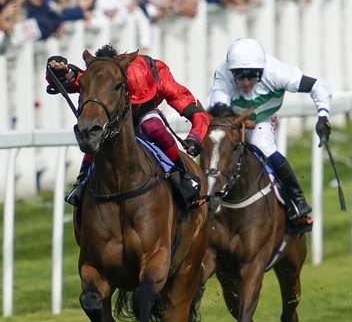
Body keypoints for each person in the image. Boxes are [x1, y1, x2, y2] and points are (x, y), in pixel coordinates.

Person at [46, 43, 209, 208]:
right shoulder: (103, 73)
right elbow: (76, 79)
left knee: (153, 128)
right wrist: (59, 71)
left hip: (144, 115)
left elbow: (194, 111)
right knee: (95, 135)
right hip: (115, 120)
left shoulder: (156, 72)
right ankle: (81, 182)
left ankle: (185, 176)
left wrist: (195, 137)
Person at [206, 37, 332, 231]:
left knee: (261, 143)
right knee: (215, 147)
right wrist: (233, 122)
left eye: (252, 76)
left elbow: (318, 85)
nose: (246, 82)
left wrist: (323, 116)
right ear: (232, 73)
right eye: (240, 76)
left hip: (263, 118)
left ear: (262, 72)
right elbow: (219, 103)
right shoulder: (224, 74)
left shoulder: (277, 73)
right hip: (231, 119)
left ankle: (297, 200)